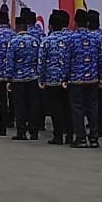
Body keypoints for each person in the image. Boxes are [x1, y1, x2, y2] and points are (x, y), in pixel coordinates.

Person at [66, 8, 102, 148]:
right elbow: (101, 60)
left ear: (75, 22)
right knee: (92, 108)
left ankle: (81, 138)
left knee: (77, 108)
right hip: (92, 79)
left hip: (76, 79)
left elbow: (66, 60)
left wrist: (64, 78)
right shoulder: (96, 38)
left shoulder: (71, 39)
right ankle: (94, 138)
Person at [40, 9, 72, 145]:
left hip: (51, 80)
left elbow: (41, 62)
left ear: (50, 26)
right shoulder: (70, 40)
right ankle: (70, 135)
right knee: (68, 107)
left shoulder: (46, 41)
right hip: (67, 79)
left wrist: (41, 79)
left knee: (55, 108)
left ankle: (58, 135)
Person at [9, 13, 42, 140]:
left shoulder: (13, 42)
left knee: (20, 105)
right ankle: (34, 131)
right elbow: (39, 59)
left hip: (18, 79)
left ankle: (21, 131)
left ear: (17, 27)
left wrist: (9, 79)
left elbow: (10, 62)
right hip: (33, 77)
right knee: (33, 104)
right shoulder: (35, 41)